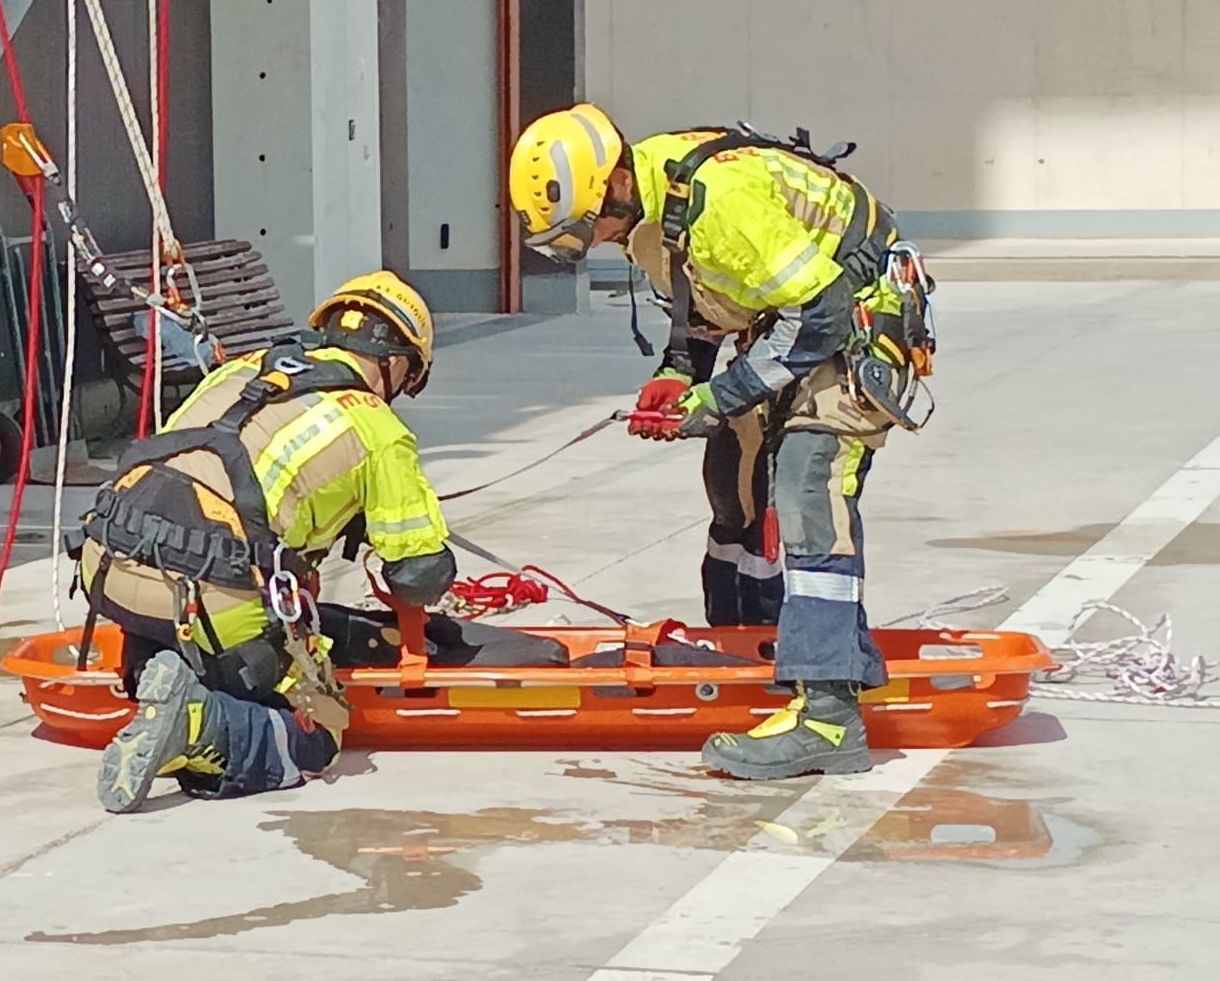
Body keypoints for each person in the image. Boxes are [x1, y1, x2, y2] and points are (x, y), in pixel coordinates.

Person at [507, 106, 935, 780]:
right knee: (737, 473)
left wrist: (720, 396)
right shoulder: (651, 203)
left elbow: (818, 313)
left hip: (849, 322)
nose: (593, 245)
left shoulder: (722, 200)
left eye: (591, 229)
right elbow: (705, 297)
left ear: (615, 182)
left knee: (807, 488)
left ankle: (828, 718)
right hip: (794, 323)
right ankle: (822, 667)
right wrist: (681, 371)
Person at [74, 272, 456, 812]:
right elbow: (418, 575)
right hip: (211, 598)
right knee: (318, 734)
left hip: (106, 564)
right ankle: (199, 721)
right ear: (398, 364)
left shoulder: (243, 368)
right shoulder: (378, 428)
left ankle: (156, 673)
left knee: (217, 602)